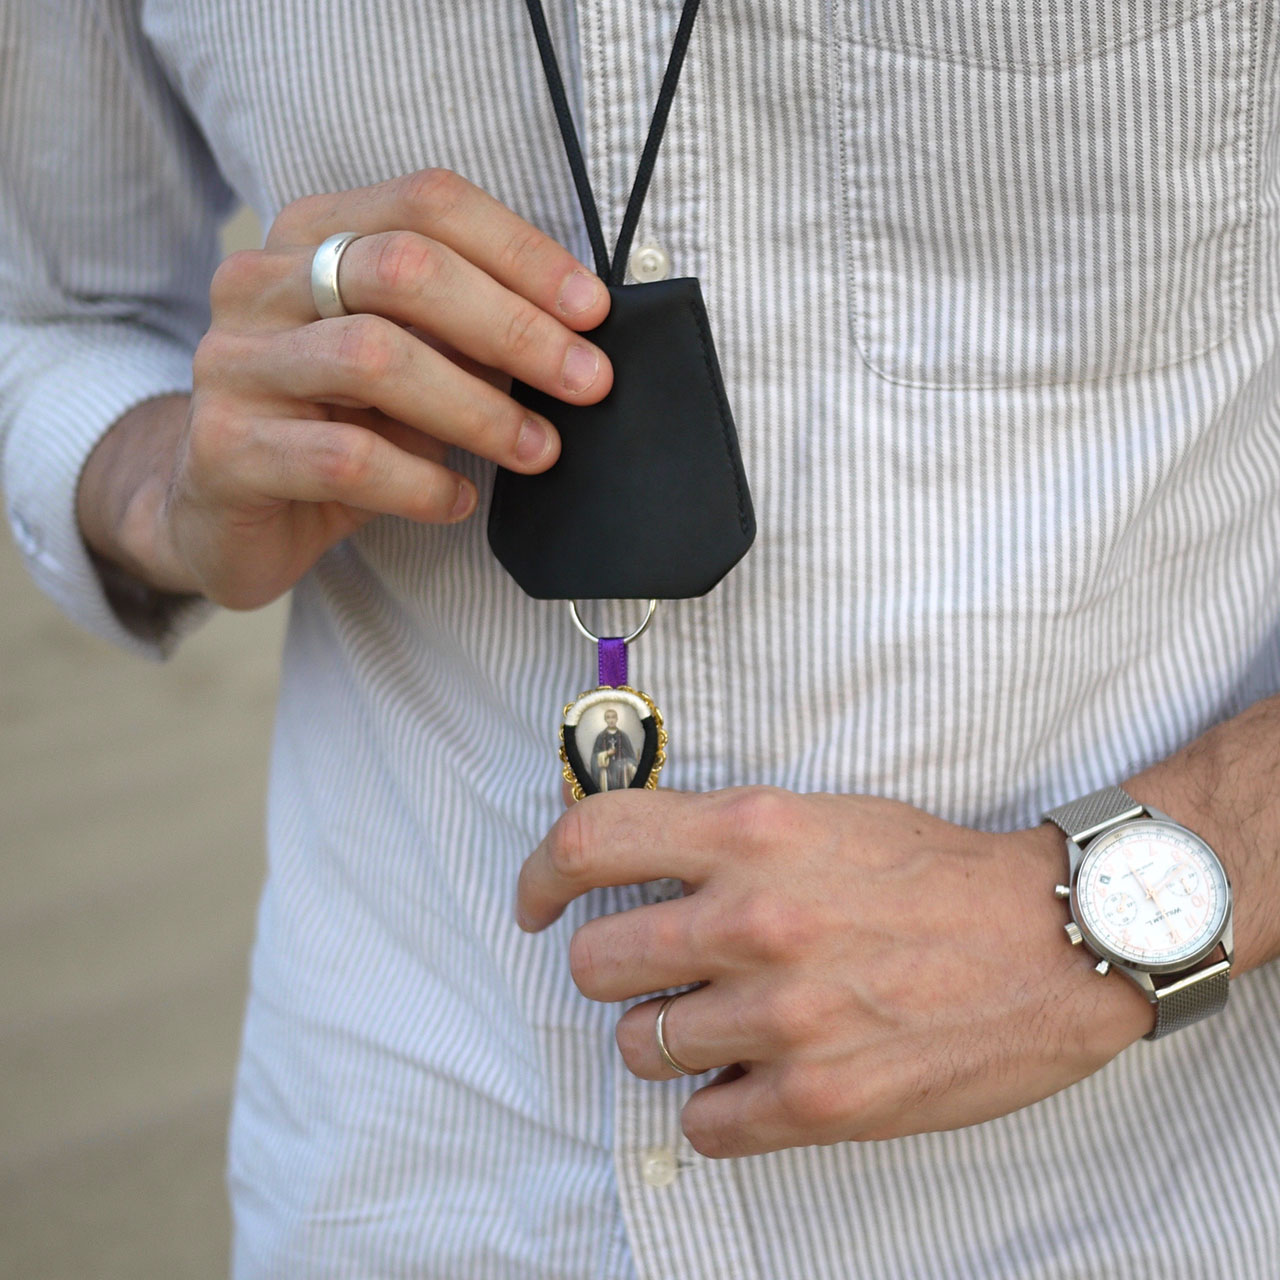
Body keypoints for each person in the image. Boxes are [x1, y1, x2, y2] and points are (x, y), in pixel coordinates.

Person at [3, 2, 1279, 1277]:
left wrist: (1105, 914)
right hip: (406, 1164)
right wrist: (161, 479)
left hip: (1137, 1191)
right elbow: (49, 322)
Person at [593, 708, 638, 792]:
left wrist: (627, 762)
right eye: (608, 717)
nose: (611, 720)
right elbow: (594, 758)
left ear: (617, 719)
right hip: (606, 771)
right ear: (605, 720)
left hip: (622, 771)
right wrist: (606, 753)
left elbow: (631, 756)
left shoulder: (623, 736)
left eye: (613, 717)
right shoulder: (601, 736)